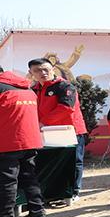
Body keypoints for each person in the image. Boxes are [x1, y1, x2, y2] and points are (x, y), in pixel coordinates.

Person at [27, 57, 88, 205]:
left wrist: (43, 122)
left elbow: (66, 108)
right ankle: (54, 193)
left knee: (74, 162)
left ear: (53, 69)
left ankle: (73, 192)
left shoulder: (65, 86)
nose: (43, 73)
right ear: (31, 73)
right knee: (52, 162)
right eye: (37, 70)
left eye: (45, 69)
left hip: (70, 131)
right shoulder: (34, 89)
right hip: (46, 132)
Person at [0, 66, 47, 217]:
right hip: (29, 140)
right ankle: (38, 212)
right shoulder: (26, 88)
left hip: (8, 141)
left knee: (7, 181)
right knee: (29, 177)